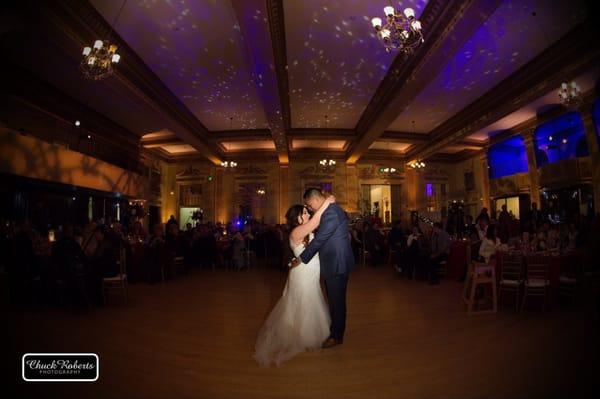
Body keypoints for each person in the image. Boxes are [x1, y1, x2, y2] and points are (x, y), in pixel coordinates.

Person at [254, 196, 335, 366]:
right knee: (303, 300)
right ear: (296, 218)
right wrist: (326, 203)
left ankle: (309, 332)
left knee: (311, 298)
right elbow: (317, 220)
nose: (307, 214)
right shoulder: (297, 232)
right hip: (302, 274)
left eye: (307, 212)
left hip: (311, 271)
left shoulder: (306, 230)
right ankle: (302, 336)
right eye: (304, 213)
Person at [290, 188, 355, 349]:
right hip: (334, 263)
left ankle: (336, 336)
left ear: (314, 200)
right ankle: (335, 331)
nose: (309, 208)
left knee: (337, 302)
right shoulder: (330, 211)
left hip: (336, 264)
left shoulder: (331, 212)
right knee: (334, 300)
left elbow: (319, 240)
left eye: (309, 205)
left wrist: (301, 259)